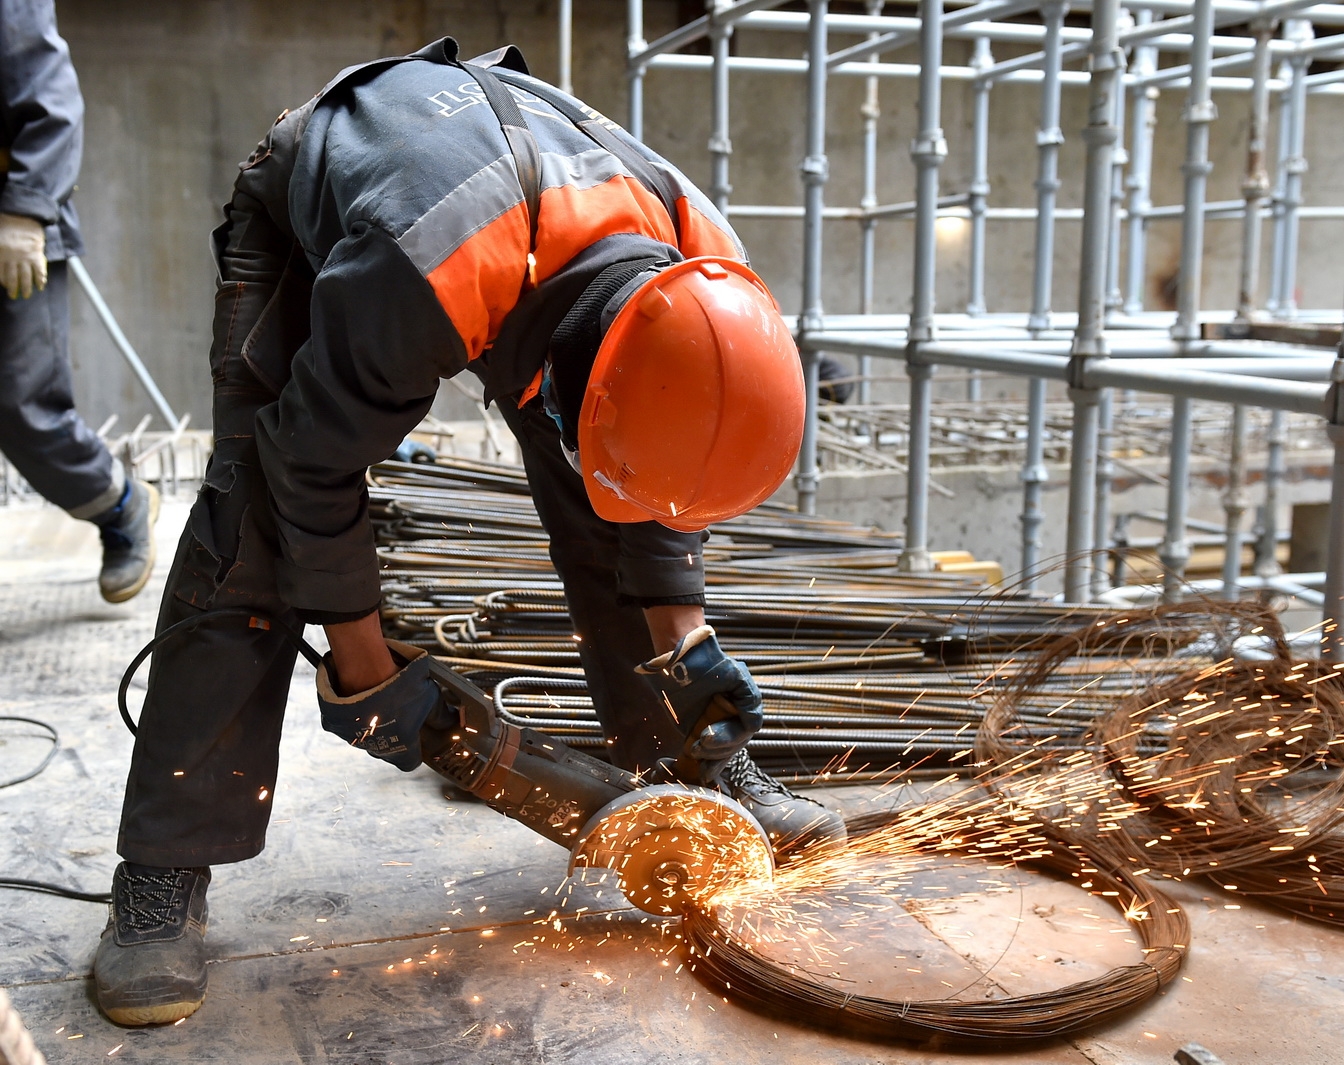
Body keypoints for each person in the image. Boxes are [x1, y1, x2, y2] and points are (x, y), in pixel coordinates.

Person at [92, 39, 846, 1027]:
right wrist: (366, 671)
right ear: (567, 385)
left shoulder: (708, 275)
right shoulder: (421, 278)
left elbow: (660, 492)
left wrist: (686, 645)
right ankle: (159, 871)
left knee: (605, 506)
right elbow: (310, 467)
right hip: (329, 212)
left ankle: (697, 769)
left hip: (524, 230)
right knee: (252, 528)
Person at [0, 0, 157, 602]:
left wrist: (25, 210)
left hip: (13, 230)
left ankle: (118, 503)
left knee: (23, 406)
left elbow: (49, 95)